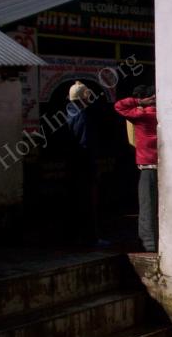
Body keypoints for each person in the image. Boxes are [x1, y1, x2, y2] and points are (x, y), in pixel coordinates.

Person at [114, 86, 158, 253]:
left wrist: (139, 102)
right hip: (162, 166)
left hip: (148, 166)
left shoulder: (141, 115)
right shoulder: (161, 115)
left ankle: (149, 245)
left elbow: (119, 106)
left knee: (147, 206)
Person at [65, 81, 106, 246]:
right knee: (88, 203)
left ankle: (75, 237)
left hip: (72, 165)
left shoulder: (67, 113)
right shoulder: (83, 115)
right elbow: (86, 143)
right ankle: (91, 238)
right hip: (84, 165)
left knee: (75, 202)